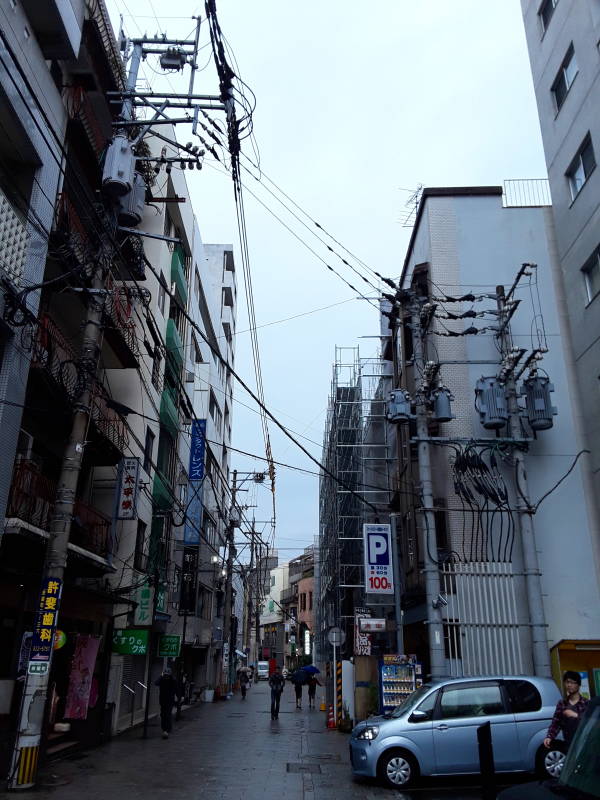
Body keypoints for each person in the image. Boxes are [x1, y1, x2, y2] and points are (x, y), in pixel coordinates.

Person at [544, 670, 588, 751]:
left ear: (578, 685)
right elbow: (556, 722)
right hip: (569, 743)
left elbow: (589, 722)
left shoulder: (586, 703)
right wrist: (549, 736)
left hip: (584, 743)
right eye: (567, 682)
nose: (569, 685)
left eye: (572, 682)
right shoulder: (562, 704)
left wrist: (575, 715)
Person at [155, 668, 179, 739]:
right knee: (163, 714)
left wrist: (177, 697)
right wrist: (161, 676)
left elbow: (176, 688)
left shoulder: (173, 680)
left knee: (167, 714)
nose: (166, 676)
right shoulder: (162, 679)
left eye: (167, 675)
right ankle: (165, 729)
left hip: (170, 700)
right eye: (165, 675)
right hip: (162, 700)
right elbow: (156, 683)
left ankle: (166, 730)